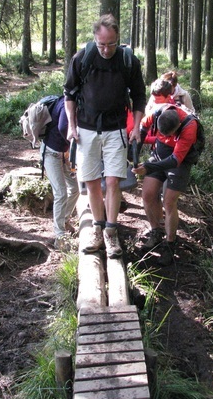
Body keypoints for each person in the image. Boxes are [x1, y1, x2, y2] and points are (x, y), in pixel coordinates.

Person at [64, 14, 146, 258]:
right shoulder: (82, 58)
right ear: (95, 39)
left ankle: (111, 232)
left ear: (117, 39)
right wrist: (71, 125)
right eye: (102, 44)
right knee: (90, 181)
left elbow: (140, 96)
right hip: (86, 128)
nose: (106, 49)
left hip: (117, 128)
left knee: (112, 180)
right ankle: (97, 229)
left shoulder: (127, 60)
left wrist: (137, 126)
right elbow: (69, 93)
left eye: (111, 43)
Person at [132, 104, 200, 265]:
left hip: (179, 163)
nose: (165, 136)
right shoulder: (157, 113)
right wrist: (133, 156)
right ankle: (156, 231)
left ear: (177, 127)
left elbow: (176, 160)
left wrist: (148, 167)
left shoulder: (190, 126)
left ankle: (170, 244)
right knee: (148, 194)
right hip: (158, 155)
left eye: (169, 134)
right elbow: (141, 128)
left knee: (168, 201)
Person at [40, 95, 79, 250]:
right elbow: (64, 127)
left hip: (62, 154)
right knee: (61, 193)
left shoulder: (74, 103)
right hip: (51, 153)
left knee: (75, 188)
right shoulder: (65, 104)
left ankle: (63, 220)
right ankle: (59, 237)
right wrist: (73, 145)